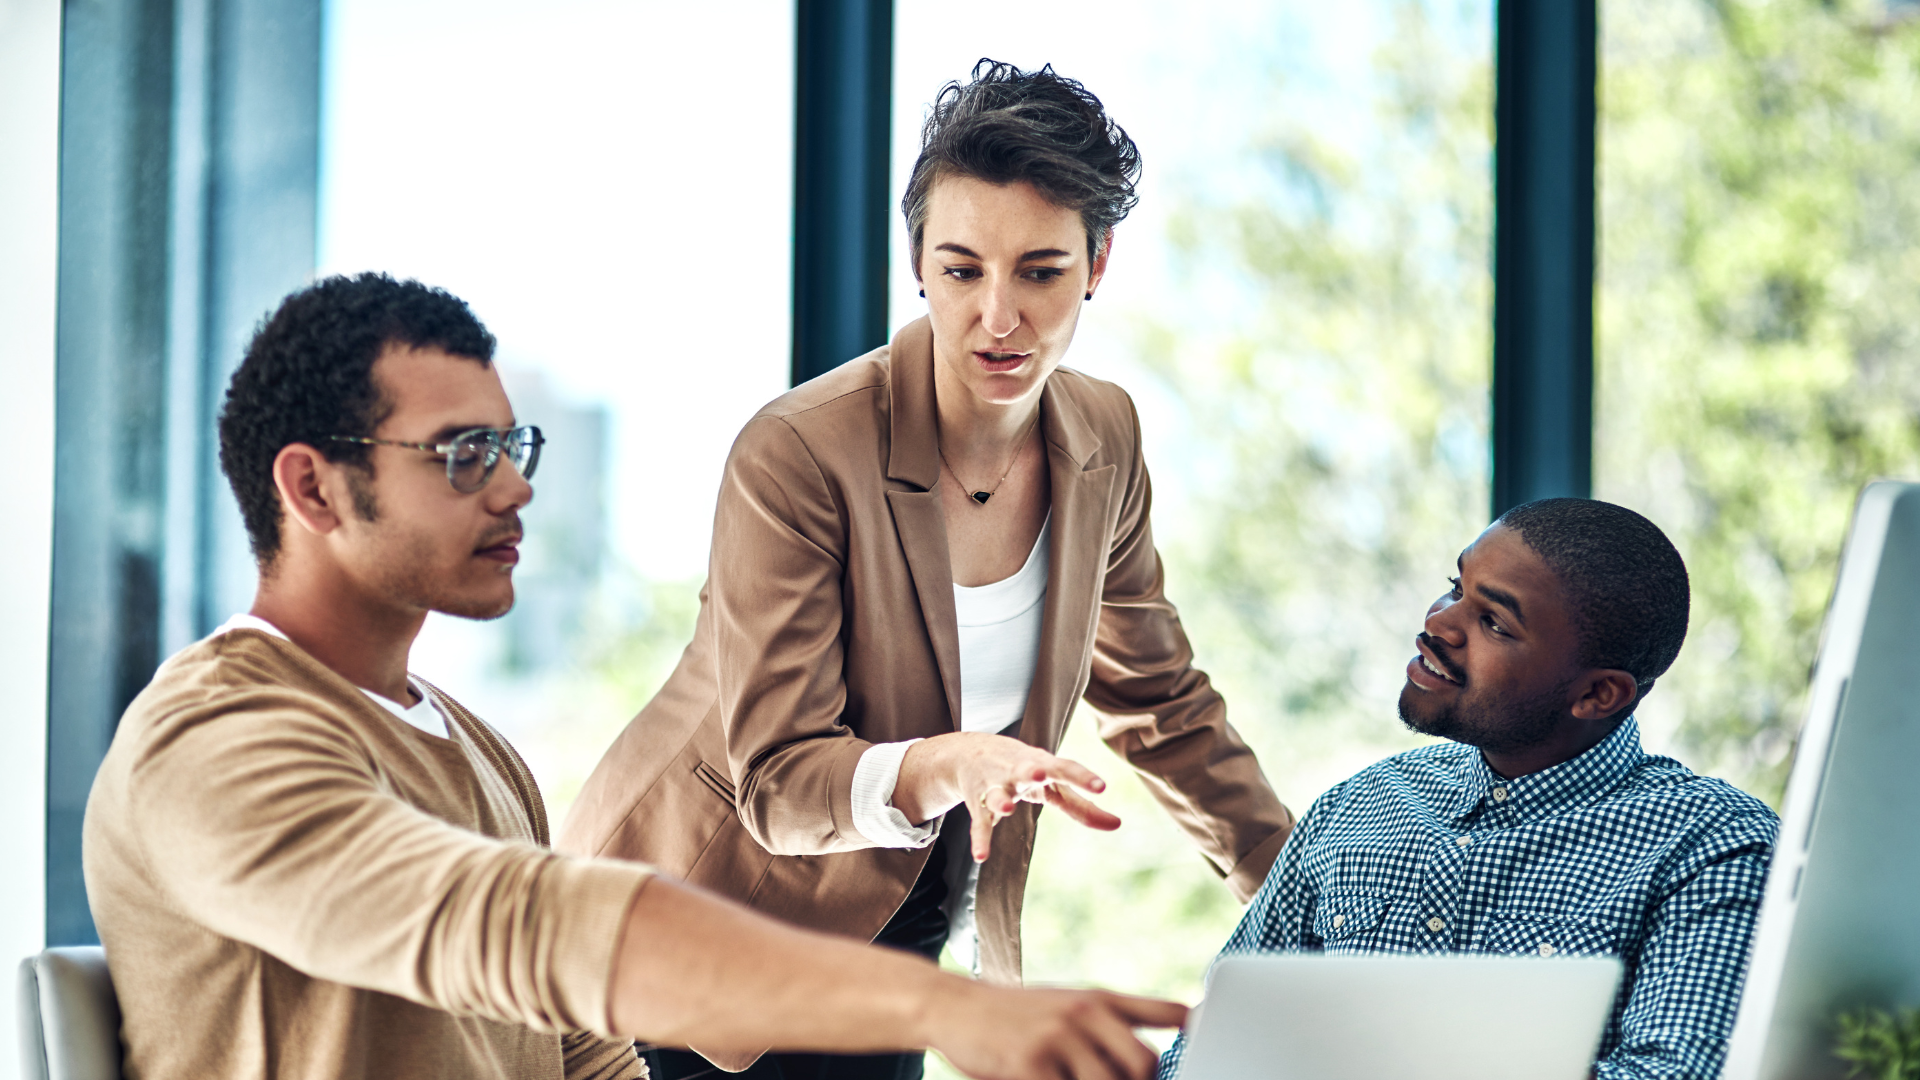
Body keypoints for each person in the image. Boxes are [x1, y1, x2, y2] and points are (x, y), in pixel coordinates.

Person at [82, 273, 1188, 1080]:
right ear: (313, 489)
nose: (514, 490)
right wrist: (942, 1010)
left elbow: (585, 1055)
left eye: (514, 449)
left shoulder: (478, 754)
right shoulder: (213, 738)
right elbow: (518, 926)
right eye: (464, 455)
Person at [561, 60, 1293, 1080]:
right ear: (917, 261)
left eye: (1039, 272)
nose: (998, 316)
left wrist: (1309, 901)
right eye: (961, 271)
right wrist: (952, 764)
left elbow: (1163, 703)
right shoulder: (800, 451)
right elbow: (777, 778)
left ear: (1098, 262)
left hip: (897, 925)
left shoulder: (1105, 437)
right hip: (696, 924)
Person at [1155, 499, 1780, 1080]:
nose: (1439, 623)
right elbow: (1207, 1049)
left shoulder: (1713, 845)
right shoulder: (1358, 806)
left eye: (1494, 623)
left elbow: (1671, 1075)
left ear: (1597, 694)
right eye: (1456, 588)